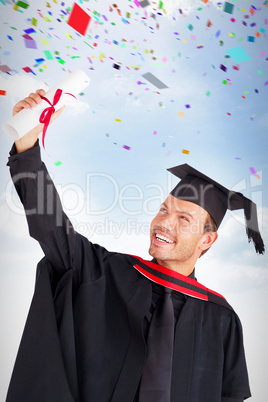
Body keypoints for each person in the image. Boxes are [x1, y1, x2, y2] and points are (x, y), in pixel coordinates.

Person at [6, 89, 265, 402]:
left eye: (183, 219)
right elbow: (51, 228)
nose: (164, 223)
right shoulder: (104, 274)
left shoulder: (223, 320)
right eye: (163, 209)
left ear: (207, 239)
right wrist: (27, 146)